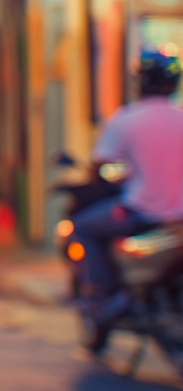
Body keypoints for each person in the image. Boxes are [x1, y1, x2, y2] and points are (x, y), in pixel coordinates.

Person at [70, 49, 183, 308]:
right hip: (178, 216)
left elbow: (98, 164)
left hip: (141, 211)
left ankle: (100, 292)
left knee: (83, 227)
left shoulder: (127, 119)